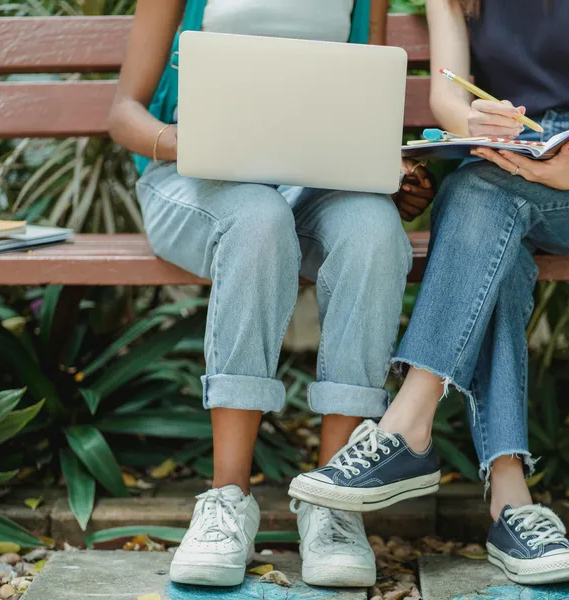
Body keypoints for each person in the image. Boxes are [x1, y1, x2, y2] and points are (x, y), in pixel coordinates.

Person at [290, 0, 569, 586]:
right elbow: (447, 96)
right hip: (509, 155)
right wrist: (473, 121)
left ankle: (407, 424)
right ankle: (512, 505)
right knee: (489, 223)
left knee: (477, 197)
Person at [108, 0, 435, 589]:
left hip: (314, 181)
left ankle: (335, 504)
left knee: (376, 234)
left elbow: (365, 112)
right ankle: (226, 501)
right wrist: (187, 141)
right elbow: (123, 114)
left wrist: (392, 175)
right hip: (193, 180)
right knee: (257, 221)